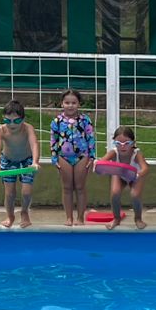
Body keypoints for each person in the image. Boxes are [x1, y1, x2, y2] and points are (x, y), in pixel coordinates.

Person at [50, 88, 96, 227]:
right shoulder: (57, 121)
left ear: (79, 104)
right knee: (67, 187)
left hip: (82, 156)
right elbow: (53, 140)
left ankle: (80, 218)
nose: (70, 106)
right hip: (64, 157)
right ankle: (69, 217)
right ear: (62, 104)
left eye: (74, 103)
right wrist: (54, 158)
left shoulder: (85, 120)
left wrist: (91, 156)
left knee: (80, 187)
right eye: (67, 102)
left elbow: (90, 138)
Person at [0, 99, 40, 228]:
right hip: (8, 160)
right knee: (9, 193)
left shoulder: (28, 128)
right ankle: (10, 215)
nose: (12, 124)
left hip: (27, 160)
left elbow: (34, 144)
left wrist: (35, 162)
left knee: (26, 192)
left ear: (23, 119)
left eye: (16, 121)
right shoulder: (1, 130)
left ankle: (24, 212)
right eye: (7, 121)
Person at [103, 126, 149, 230]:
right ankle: (116, 218)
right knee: (115, 193)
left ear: (133, 143)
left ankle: (138, 219)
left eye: (127, 143)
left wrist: (139, 175)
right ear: (114, 143)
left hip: (135, 175)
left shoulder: (136, 154)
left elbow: (145, 168)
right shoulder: (114, 152)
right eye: (118, 143)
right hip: (120, 174)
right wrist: (97, 165)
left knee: (135, 195)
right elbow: (102, 162)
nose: (122, 146)